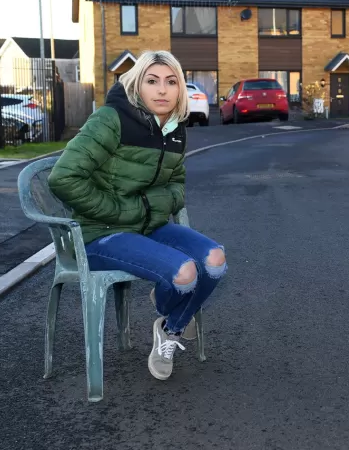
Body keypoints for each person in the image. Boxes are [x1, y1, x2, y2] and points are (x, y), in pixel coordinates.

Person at [48, 50, 226, 381]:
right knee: (186, 273)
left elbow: (177, 184)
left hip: (148, 227)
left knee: (215, 261)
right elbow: (63, 178)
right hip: (101, 235)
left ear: (180, 90)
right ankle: (176, 309)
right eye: (152, 81)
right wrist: (119, 210)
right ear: (137, 86)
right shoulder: (110, 119)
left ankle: (170, 326)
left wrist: (156, 204)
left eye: (171, 82)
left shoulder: (174, 129)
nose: (162, 90)